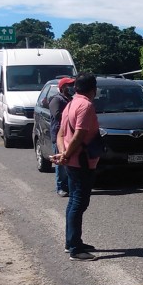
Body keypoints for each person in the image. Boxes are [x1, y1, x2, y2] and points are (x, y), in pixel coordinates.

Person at [53, 73, 100, 261]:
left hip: (72, 160)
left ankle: (72, 242)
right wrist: (67, 155)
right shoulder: (86, 105)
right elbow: (79, 134)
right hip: (81, 161)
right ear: (93, 89)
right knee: (79, 202)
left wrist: (63, 153)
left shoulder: (70, 104)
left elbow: (60, 134)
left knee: (74, 201)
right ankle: (75, 248)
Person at [48, 77, 74, 197]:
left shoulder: (71, 99)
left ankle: (69, 186)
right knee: (61, 162)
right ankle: (61, 187)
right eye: (69, 85)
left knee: (70, 162)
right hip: (59, 135)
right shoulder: (56, 100)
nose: (71, 87)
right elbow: (58, 115)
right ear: (63, 87)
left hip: (69, 135)